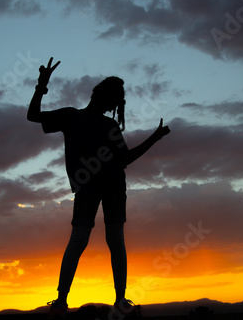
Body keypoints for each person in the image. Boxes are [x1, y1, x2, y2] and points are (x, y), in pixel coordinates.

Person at [27, 57, 170, 319]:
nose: (112, 102)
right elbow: (33, 116)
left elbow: (124, 159)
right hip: (87, 188)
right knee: (80, 240)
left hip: (114, 186)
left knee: (113, 240)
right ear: (97, 94)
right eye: (111, 96)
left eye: (116, 99)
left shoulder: (110, 125)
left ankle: (118, 300)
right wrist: (42, 84)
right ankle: (61, 300)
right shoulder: (72, 116)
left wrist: (155, 137)